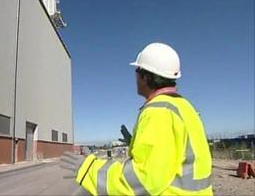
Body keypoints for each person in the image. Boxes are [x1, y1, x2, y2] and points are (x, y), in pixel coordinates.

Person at [61, 43, 213, 196]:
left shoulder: (159, 112)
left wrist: (88, 169)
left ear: (145, 77)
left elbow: (142, 180)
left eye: (136, 71)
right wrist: (135, 142)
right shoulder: (183, 107)